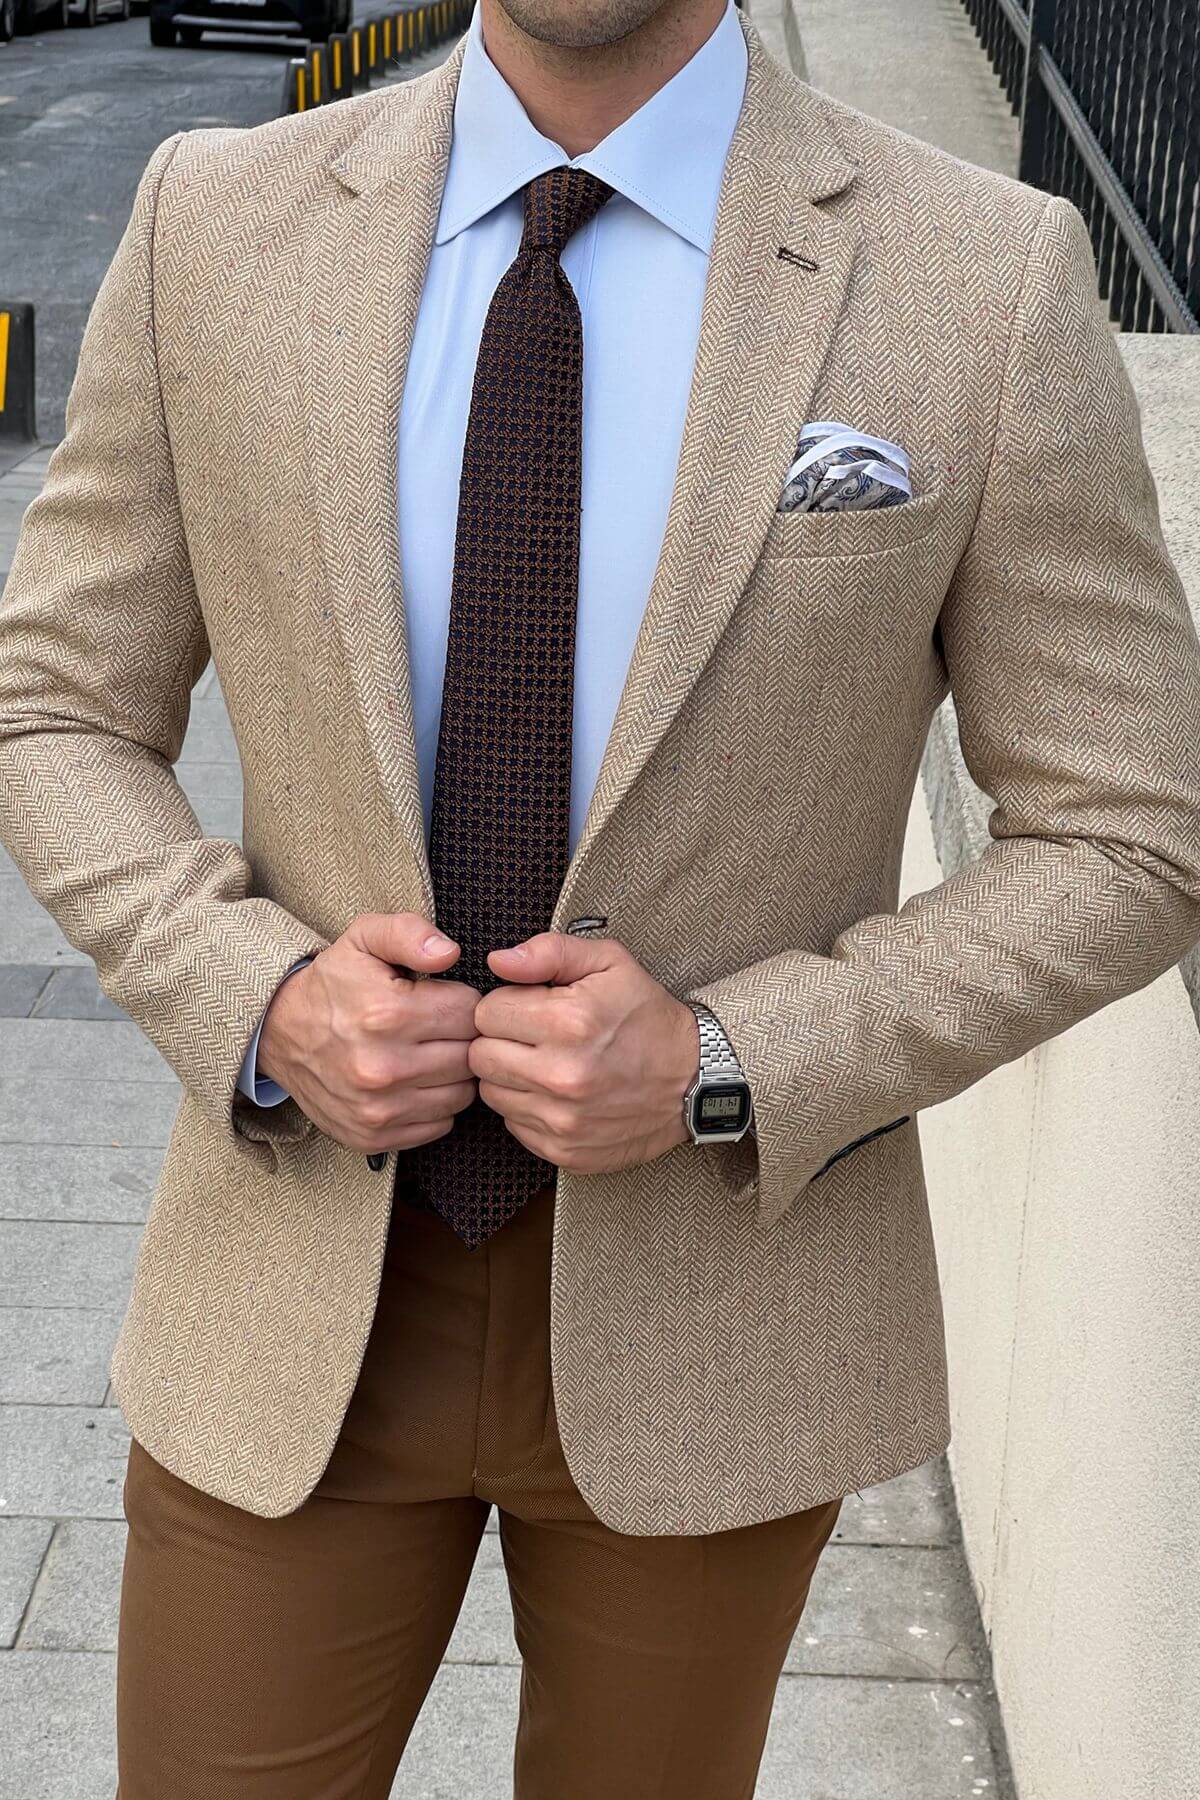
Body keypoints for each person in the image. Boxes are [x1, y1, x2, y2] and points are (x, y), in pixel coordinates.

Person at [2, 0, 1199, 1793]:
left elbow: (1132, 826)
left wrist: (735, 1054)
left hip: (719, 1307)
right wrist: (251, 994)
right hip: (296, 1292)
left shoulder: (986, 274)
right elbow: (55, 701)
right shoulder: (216, 222)